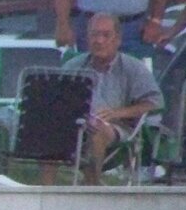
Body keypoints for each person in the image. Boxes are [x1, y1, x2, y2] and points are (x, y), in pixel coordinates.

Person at [57, 12, 163, 186]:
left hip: (115, 128)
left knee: (98, 128)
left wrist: (118, 113)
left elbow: (156, 103)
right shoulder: (73, 65)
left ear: (118, 39)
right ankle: (44, 195)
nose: (99, 40)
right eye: (94, 35)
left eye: (106, 35)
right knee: (44, 127)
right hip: (74, 125)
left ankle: (90, 188)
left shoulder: (133, 68)